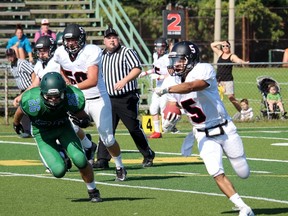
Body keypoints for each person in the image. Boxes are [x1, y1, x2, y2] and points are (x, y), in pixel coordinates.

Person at [156, 41, 255, 216]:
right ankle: (243, 207)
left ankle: (242, 198)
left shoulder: (204, 69)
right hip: (202, 133)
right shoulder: (171, 80)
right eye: (174, 60)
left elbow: (191, 87)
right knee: (216, 172)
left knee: (243, 172)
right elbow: (174, 104)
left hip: (224, 128)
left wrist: (166, 90)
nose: (176, 64)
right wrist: (171, 117)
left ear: (191, 59)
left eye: (180, 60)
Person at [13, 72, 102, 202]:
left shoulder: (71, 96)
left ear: (63, 92)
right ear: (42, 93)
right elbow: (20, 111)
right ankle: (60, 153)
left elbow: (82, 115)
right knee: (59, 171)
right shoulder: (32, 100)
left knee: (80, 160)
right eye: (49, 96)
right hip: (43, 133)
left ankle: (93, 191)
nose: (53, 99)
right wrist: (16, 123)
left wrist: (84, 121)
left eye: (56, 96)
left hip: (63, 128)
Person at [53, 24, 127, 181]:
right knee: (69, 127)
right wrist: (65, 82)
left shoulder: (91, 51)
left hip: (97, 99)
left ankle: (120, 165)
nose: (70, 43)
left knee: (107, 139)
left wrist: (70, 88)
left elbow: (92, 80)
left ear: (81, 40)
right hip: (77, 98)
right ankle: (88, 145)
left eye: (73, 40)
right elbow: (62, 70)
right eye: (67, 40)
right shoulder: (60, 52)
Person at [13, 35, 97, 166]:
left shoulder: (56, 61)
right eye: (39, 51)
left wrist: (68, 87)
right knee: (65, 128)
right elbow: (35, 84)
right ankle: (82, 148)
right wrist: (22, 95)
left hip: (62, 99)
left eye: (44, 50)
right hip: (48, 101)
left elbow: (67, 76)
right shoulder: (40, 64)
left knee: (72, 127)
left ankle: (86, 146)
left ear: (51, 50)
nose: (41, 54)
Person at [94, 27, 155, 169]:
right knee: (106, 129)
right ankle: (102, 159)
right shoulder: (101, 55)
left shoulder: (126, 52)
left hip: (126, 97)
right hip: (108, 97)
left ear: (118, 39)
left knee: (133, 128)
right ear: (104, 40)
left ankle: (148, 154)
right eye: (109, 38)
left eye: (114, 37)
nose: (112, 40)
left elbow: (137, 68)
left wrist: (124, 80)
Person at [138, 37, 171, 138]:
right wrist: (145, 73)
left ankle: (171, 125)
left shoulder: (168, 58)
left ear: (166, 48)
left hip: (166, 84)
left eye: (162, 47)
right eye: (158, 47)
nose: (159, 49)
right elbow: (155, 69)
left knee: (163, 107)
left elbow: (172, 73)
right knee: (153, 108)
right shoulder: (155, 55)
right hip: (158, 85)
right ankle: (157, 132)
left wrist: (161, 76)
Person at [210, 40, 249, 112]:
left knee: (231, 97)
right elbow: (212, 45)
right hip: (218, 80)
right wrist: (221, 43)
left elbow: (238, 60)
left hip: (228, 80)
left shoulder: (232, 56)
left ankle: (242, 112)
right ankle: (216, 113)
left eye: (227, 46)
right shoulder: (220, 53)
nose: (225, 47)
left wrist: (243, 62)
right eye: (223, 46)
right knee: (215, 97)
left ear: (229, 47)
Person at [6, 48, 35, 138]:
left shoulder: (21, 63)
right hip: (23, 90)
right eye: (8, 56)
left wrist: (34, 86)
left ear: (15, 54)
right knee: (23, 110)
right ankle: (27, 130)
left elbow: (32, 72)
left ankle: (28, 130)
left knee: (26, 109)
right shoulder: (12, 65)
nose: (10, 58)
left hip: (30, 88)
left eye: (11, 55)